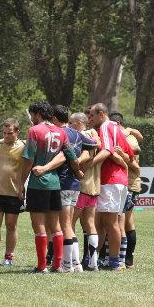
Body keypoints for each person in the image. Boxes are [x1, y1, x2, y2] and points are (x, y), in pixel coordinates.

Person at [19, 101, 82, 273]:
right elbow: (71, 156)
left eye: (32, 115)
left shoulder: (34, 131)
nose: (31, 119)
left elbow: (28, 159)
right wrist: (78, 172)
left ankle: (41, 266)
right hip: (55, 183)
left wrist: (20, 183)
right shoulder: (61, 132)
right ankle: (57, 264)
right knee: (56, 226)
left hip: (38, 183)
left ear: (38, 114)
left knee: (38, 225)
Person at [87, 103, 133, 271]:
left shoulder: (106, 126)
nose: (89, 119)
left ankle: (114, 262)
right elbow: (130, 155)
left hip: (110, 180)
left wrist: (88, 164)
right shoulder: (118, 128)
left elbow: (106, 150)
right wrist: (120, 157)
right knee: (101, 222)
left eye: (92, 116)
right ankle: (94, 259)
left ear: (101, 114)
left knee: (110, 223)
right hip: (120, 181)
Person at [51, 105, 96, 272]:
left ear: (55, 119)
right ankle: (76, 264)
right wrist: (82, 157)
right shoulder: (78, 134)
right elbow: (94, 144)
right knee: (69, 224)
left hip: (62, 183)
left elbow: (64, 155)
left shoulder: (61, 134)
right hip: (75, 185)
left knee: (65, 225)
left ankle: (67, 264)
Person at [0, 118, 25, 267]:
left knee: (11, 225)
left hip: (14, 192)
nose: (6, 136)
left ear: (17, 132)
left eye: (10, 133)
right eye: (4, 133)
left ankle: (9, 257)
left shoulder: (23, 146)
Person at [69, 111, 101, 270]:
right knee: (90, 224)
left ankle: (74, 263)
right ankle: (93, 263)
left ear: (77, 124)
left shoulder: (80, 137)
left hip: (80, 186)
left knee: (70, 224)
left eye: (70, 123)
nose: (68, 126)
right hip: (94, 188)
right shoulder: (95, 136)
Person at [110, 111, 142, 269]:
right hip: (124, 182)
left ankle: (126, 258)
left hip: (130, 183)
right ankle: (123, 258)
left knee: (124, 221)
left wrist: (122, 153)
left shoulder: (127, 137)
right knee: (122, 221)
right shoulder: (128, 134)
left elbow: (136, 155)